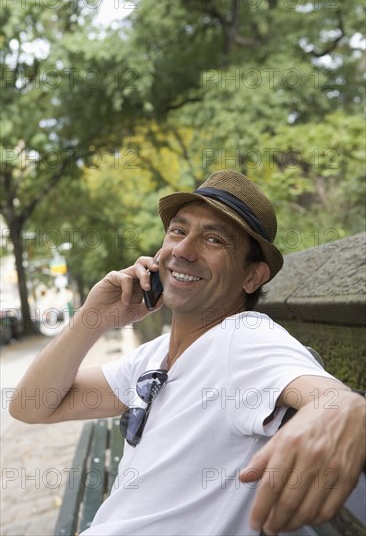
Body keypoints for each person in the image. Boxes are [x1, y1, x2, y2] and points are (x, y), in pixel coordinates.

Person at [10, 171, 365, 536]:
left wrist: (347, 410)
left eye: (213, 239)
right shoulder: (153, 355)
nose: (182, 250)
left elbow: (328, 398)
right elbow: (31, 406)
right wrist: (92, 318)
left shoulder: (244, 338)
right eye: (178, 231)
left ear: (252, 278)